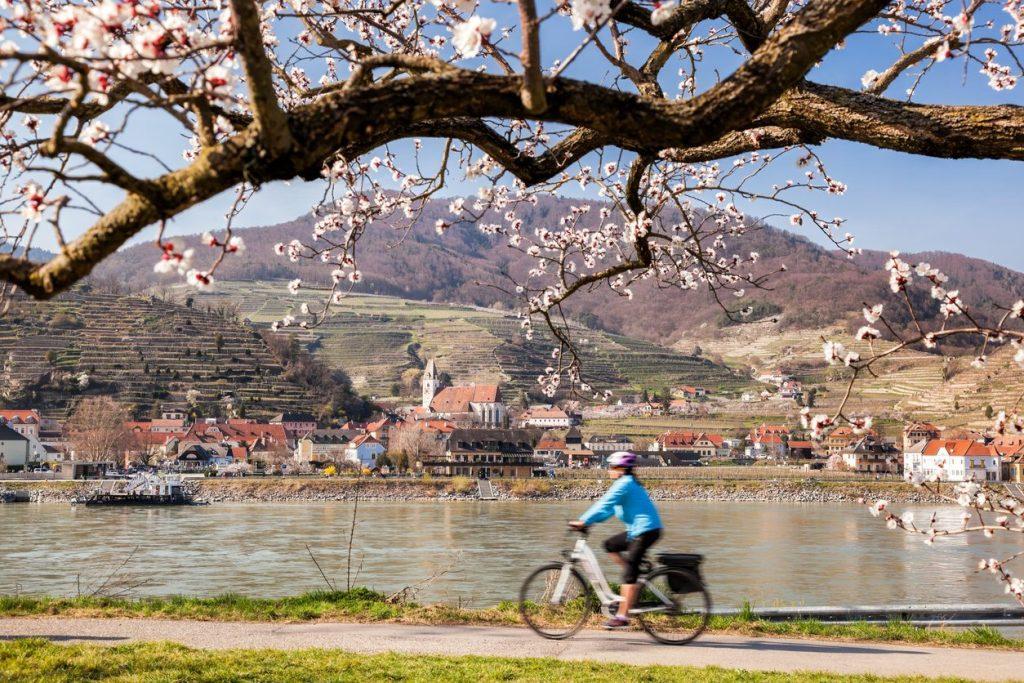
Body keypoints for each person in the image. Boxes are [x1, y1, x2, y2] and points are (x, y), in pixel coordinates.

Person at [569, 451, 663, 629]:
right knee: (610, 545)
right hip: (637, 531)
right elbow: (608, 510)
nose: (609, 470)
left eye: (611, 467)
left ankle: (622, 616)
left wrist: (583, 520)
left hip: (646, 531)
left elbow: (604, 503)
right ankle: (634, 573)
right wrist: (590, 522)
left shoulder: (624, 484)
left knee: (628, 575)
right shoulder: (626, 484)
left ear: (621, 469)